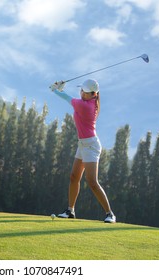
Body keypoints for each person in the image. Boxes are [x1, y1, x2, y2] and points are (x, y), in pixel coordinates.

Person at [50, 79, 116, 223]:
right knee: (74, 177)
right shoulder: (87, 102)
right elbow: (70, 98)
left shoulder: (86, 106)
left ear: (93, 94)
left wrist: (55, 90)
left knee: (92, 181)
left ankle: (110, 214)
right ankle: (70, 210)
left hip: (91, 146)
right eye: (81, 91)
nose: (81, 93)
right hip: (83, 144)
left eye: (84, 92)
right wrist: (60, 90)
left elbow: (67, 99)